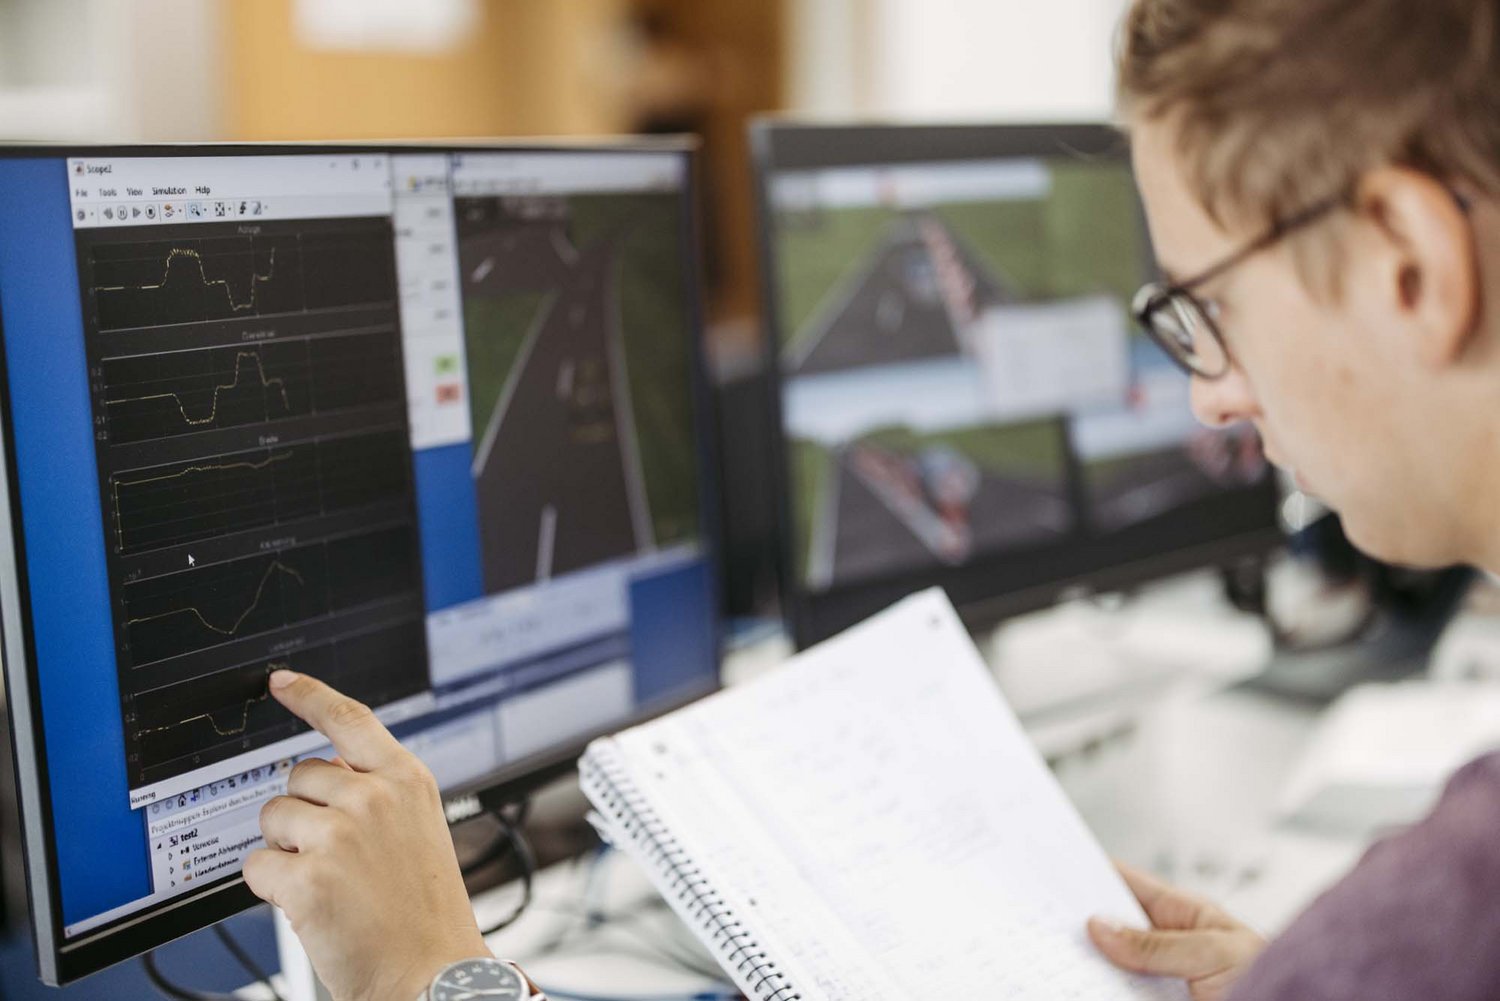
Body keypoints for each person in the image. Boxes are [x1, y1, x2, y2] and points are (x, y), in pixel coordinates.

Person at [244, 0, 1500, 997]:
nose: (1210, 400)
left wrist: (428, 979)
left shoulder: (1460, 899)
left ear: (1408, 264)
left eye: (1207, 308)